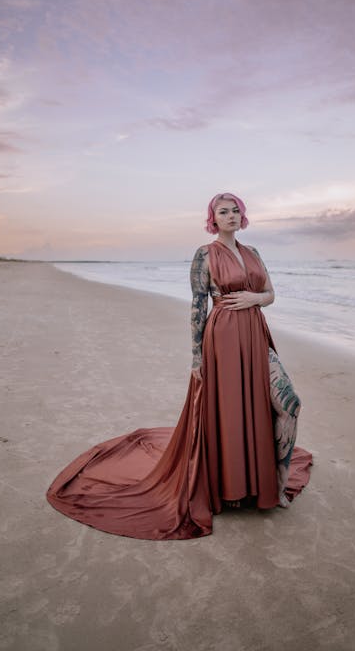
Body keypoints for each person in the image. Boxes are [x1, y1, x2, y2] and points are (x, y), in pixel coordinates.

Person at [46, 193, 312, 540]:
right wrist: (197, 357)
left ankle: (273, 486)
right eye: (223, 212)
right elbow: (197, 306)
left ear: (242, 216)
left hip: (255, 334)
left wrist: (255, 298)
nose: (231, 216)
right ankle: (237, 487)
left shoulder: (253, 253)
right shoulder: (205, 254)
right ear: (213, 219)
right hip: (224, 339)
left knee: (289, 403)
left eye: (236, 211)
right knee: (230, 414)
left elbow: (271, 294)